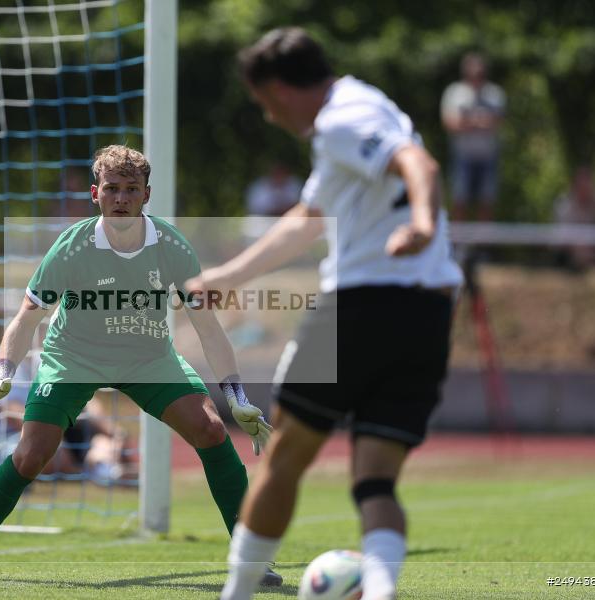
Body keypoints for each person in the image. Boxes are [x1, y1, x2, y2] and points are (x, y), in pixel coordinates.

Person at [189, 28, 463, 600]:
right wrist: (228, 277)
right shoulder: (366, 106)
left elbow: (421, 165)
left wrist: (423, 223)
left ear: (282, 89)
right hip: (428, 314)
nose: (267, 117)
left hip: (360, 308)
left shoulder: (341, 120)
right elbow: (308, 219)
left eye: (264, 103)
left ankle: (235, 593)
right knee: (375, 480)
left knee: (284, 455)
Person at [0, 145, 279, 585]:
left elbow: (208, 328)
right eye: (113, 189)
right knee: (31, 455)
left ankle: (251, 563)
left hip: (149, 357)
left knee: (212, 429)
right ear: (95, 194)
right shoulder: (71, 247)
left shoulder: (173, 247)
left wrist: (237, 397)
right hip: (73, 358)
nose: (121, 198)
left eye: (131, 190)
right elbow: (26, 317)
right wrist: (3, 372)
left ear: (146, 195)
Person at [0, 348, 129, 481]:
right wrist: (55, 429)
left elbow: (87, 401)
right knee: (48, 447)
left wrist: (115, 432)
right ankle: (86, 474)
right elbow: (14, 416)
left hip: (56, 428)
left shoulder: (41, 360)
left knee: (101, 441)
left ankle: (108, 472)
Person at [440, 52, 506, 221]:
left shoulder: (495, 94)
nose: (477, 76)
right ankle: (459, 246)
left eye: (480, 73)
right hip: (462, 155)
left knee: (487, 201)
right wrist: (479, 122)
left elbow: (497, 122)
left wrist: (468, 121)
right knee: (459, 200)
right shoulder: (455, 92)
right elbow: (450, 122)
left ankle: (482, 245)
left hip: (488, 155)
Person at [554, 165, 595, 268]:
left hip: (593, 248)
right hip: (569, 253)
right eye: (582, 185)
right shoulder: (565, 205)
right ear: (575, 186)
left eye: (588, 184)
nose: (585, 189)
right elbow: (563, 237)